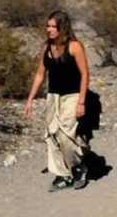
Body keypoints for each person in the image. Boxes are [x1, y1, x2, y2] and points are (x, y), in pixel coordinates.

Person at [24, 11, 92, 192]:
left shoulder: (74, 46)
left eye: (54, 26)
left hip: (73, 95)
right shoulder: (47, 47)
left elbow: (85, 74)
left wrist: (81, 102)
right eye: (48, 26)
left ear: (63, 28)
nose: (49, 30)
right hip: (53, 96)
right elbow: (40, 74)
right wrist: (30, 99)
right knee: (52, 135)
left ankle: (78, 167)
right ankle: (63, 174)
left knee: (65, 135)